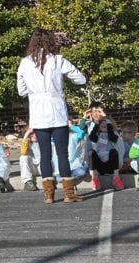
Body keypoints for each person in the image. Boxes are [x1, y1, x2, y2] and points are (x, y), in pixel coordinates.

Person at [16, 28, 86, 204]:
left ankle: (49, 194)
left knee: (45, 154)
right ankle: (69, 193)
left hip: (38, 113)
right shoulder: (58, 60)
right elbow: (81, 79)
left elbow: (21, 90)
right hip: (57, 111)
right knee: (62, 153)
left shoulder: (25, 63)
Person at [86, 118, 125, 191]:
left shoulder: (114, 135)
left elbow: (115, 141)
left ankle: (116, 178)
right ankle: (95, 178)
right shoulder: (96, 135)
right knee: (91, 152)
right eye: (101, 123)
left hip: (111, 166)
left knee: (113, 151)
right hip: (99, 166)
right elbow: (92, 137)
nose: (103, 124)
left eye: (106, 123)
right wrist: (97, 125)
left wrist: (109, 127)